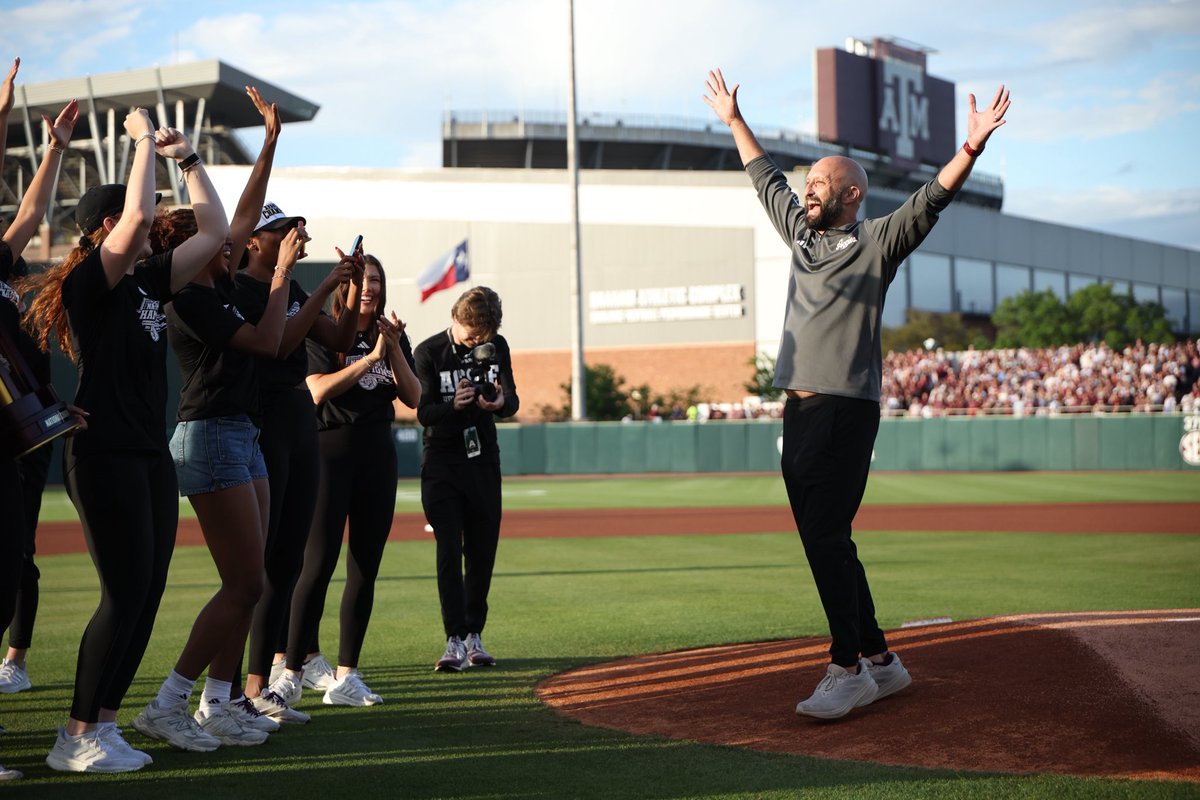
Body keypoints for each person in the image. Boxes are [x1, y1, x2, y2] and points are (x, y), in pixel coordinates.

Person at [703, 68, 1009, 719]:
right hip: (800, 406)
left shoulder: (874, 243)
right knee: (828, 535)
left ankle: (847, 667)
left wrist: (972, 148)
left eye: (817, 184)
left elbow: (928, 201)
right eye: (806, 182)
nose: (804, 189)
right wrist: (734, 118)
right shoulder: (801, 236)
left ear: (849, 194)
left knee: (824, 533)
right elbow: (765, 178)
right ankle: (881, 661)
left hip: (846, 409)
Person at [23, 110, 228, 771]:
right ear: (107, 227)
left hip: (146, 451)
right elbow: (139, 218)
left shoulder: (147, 279)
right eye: (136, 213)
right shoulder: (93, 281)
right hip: (104, 453)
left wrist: (188, 158)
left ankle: (104, 725)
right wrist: (141, 140)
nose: (152, 216)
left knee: (147, 590)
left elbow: (217, 230)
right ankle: (77, 734)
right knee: (124, 590)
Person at [231, 196, 363, 723]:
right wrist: (325, 285)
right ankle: (234, 688)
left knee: (286, 562)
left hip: (299, 425)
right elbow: (281, 344)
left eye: (294, 228)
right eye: (281, 229)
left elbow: (341, 338)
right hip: (264, 425)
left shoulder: (294, 288)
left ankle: (260, 687)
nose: (292, 235)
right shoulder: (242, 288)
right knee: (261, 567)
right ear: (255, 240)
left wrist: (348, 287)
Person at [280, 253, 420, 706]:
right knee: (316, 565)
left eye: (376, 280)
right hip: (329, 453)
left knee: (364, 569)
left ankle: (347, 676)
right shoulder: (325, 330)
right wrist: (369, 359)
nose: (370, 288)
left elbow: (414, 397)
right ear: (346, 287)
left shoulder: (392, 336)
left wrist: (392, 349)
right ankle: (291, 671)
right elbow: (317, 389)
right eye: (362, 280)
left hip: (378, 456)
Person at [0, 69, 80, 705]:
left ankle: (16, 658)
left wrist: (53, 149)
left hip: (18, 437)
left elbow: (29, 212)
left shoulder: (7, 272)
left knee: (13, 562)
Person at [414, 286, 519, 672]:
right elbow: (423, 411)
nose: (478, 342)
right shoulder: (429, 352)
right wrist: (451, 406)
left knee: (482, 551)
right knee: (447, 549)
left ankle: (475, 634)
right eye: (472, 335)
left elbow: (512, 398)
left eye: (484, 336)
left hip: (483, 459)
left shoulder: (498, 346)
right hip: (442, 459)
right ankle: (454, 639)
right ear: (455, 319)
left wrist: (499, 404)